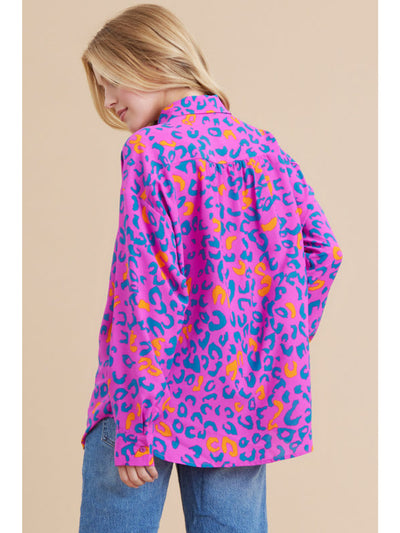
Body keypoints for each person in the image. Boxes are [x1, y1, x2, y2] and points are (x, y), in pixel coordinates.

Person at [78, 4, 344, 533]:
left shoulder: (151, 151)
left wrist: (133, 421)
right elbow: (324, 252)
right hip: (238, 399)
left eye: (112, 80)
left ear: (151, 62)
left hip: (145, 398)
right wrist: (268, 345)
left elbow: (145, 293)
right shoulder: (263, 148)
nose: (107, 100)